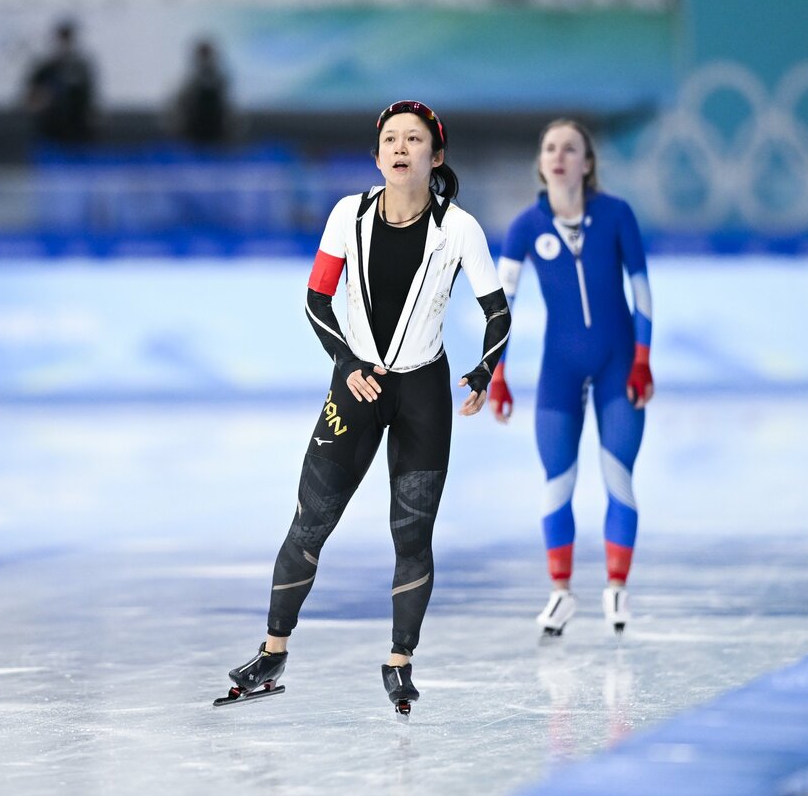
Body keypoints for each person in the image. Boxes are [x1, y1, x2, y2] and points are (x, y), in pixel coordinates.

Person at [218, 100, 512, 715]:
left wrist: (485, 369)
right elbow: (316, 300)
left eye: (414, 139)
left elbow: (497, 312)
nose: (401, 148)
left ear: (436, 156)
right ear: (377, 156)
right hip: (356, 388)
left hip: (423, 394)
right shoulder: (346, 215)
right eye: (391, 140)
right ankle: (272, 652)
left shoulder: (459, 228)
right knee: (310, 522)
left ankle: (400, 662)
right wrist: (347, 364)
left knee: (413, 535)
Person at [487, 119, 654, 638]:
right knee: (558, 480)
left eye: (570, 149)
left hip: (618, 364)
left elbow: (642, 293)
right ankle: (561, 593)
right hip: (559, 369)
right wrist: (497, 373)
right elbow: (502, 305)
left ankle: (617, 587)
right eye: (550, 149)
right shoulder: (525, 227)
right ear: (541, 163)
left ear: (588, 163)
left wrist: (642, 359)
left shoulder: (618, 215)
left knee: (617, 476)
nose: (559, 156)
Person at [22, 20, 97, 147]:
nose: (64, 45)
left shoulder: (81, 67)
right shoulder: (45, 68)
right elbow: (30, 99)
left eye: (67, 40)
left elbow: (88, 97)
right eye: (62, 40)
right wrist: (41, 100)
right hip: (50, 127)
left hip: (78, 128)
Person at [170, 38, 233, 146]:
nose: (205, 60)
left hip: (217, 132)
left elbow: (227, 107)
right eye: (203, 55)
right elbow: (180, 105)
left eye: (207, 55)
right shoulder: (189, 80)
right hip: (193, 131)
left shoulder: (220, 79)